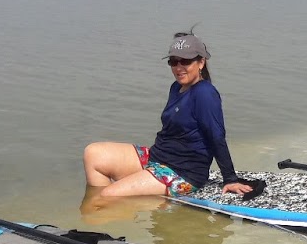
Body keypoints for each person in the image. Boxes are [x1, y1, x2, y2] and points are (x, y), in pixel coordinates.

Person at [83, 31, 253, 200]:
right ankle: (107, 214)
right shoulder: (176, 88)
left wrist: (230, 178)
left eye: (185, 61)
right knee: (93, 154)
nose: (179, 68)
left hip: (183, 172)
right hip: (157, 158)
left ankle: (106, 207)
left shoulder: (204, 93)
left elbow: (216, 136)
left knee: (107, 195)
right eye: (173, 62)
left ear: (201, 62)